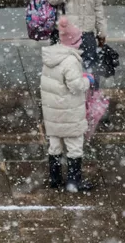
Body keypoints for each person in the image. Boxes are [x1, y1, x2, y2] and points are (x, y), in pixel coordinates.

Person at [40, 16, 96, 193]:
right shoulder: (71, 61)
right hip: (69, 111)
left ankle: (55, 178)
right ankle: (73, 181)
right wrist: (88, 80)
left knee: (55, 144)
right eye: (79, 40)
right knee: (74, 146)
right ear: (73, 42)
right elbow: (75, 86)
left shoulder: (51, 56)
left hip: (53, 111)